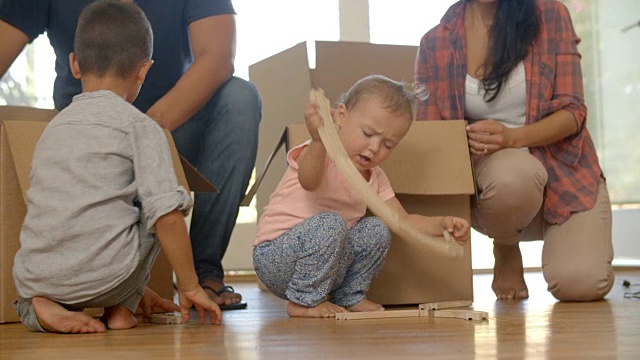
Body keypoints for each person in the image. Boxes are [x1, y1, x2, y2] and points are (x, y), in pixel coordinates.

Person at [0, 0, 259, 309]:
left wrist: (138, 131)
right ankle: (136, 298)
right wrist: (127, 132)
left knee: (240, 97)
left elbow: (218, 57)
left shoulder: (50, 137)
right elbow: (165, 215)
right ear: (143, 70)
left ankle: (205, 273)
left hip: (167, 124)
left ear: (74, 64)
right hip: (91, 140)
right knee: (162, 213)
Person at [415, 0, 614, 301]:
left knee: (581, 283)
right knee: (512, 176)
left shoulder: (550, 14)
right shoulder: (436, 42)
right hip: (497, 186)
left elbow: (573, 112)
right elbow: (434, 139)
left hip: (566, 173)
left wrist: (513, 138)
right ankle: (505, 245)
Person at [253, 75, 471, 318]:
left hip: (327, 265)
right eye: (368, 133)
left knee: (377, 229)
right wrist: (318, 140)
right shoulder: (321, 151)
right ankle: (303, 301)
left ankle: (349, 294)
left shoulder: (374, 177)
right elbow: (309, 181)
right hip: (277, 259)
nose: (374, 148)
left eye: (388, 145)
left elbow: (402, 221)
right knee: (331, 223)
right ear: (342, 117)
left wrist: (441, 225)